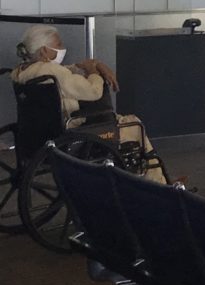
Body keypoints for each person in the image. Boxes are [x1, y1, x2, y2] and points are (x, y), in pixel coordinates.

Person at [11, 25, 166, 183]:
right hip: (72, 131)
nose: (63, 48)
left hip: (39, 133)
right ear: (44, 51)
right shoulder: (53, 72)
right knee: (134, 124)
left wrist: (94, 64)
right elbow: (93, 92)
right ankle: (158, 182)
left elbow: (67, 72)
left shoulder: (21, 72)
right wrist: (93, 73)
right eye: (58, 45)